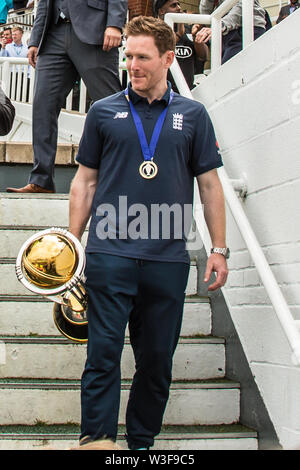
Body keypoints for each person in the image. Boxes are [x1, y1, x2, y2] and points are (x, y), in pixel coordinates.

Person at [68, 15, 229, 450]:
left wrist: (219, 248)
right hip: (110, 254)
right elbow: (84, 181)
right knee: (102, 356)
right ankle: (97, 442)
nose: (132, 65)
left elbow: (210, 185)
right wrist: (72, 243)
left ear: (166, 58)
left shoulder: (193, 115)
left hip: (167, 259)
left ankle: (141, 445)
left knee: (156, 362)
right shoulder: (103, 112)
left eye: (142, 57)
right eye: (128, 56)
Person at [6, 0, 128, 194]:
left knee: (113, 107)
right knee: (42, 105)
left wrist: (114, 23)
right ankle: (41, 180)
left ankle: (125, 177)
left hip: (94, 30)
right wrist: (36, 40)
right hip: (53, 34)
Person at [154, 0, 208, 92]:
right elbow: (159, 50)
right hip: (164, 92)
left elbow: (203, 56)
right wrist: (179, 34)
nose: (179, 8)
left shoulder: (188, 29)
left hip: (188, 90)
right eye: (173, 5)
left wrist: (197, 39)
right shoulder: (155, 30)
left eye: (179, 4)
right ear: (161, 11)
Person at [196, 0, 266, 64]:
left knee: (227, 71)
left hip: (246, 28)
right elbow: (206, 14)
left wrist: (220, 25)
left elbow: (241, 6)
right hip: (225, 32)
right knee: (224, 72)